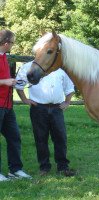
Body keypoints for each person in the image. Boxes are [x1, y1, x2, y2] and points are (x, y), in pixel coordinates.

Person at [15, 61, 75, 177]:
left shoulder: (59, 67)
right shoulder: (29, 67)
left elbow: (69, 87)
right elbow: (19, 84)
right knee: (41, 138)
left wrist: (67, 102)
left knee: (60, 138)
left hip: (56, 108)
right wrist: (25, 100)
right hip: (38, 108)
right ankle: (44, 167)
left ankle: (63, 167)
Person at [0, 29, 32, 181]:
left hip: (7, 106)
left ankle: (15, 170)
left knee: (14, 137)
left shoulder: (4, 56)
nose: (13, 45)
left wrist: (12, 81)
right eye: (12, 43)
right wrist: (5, 82)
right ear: (6, 43)